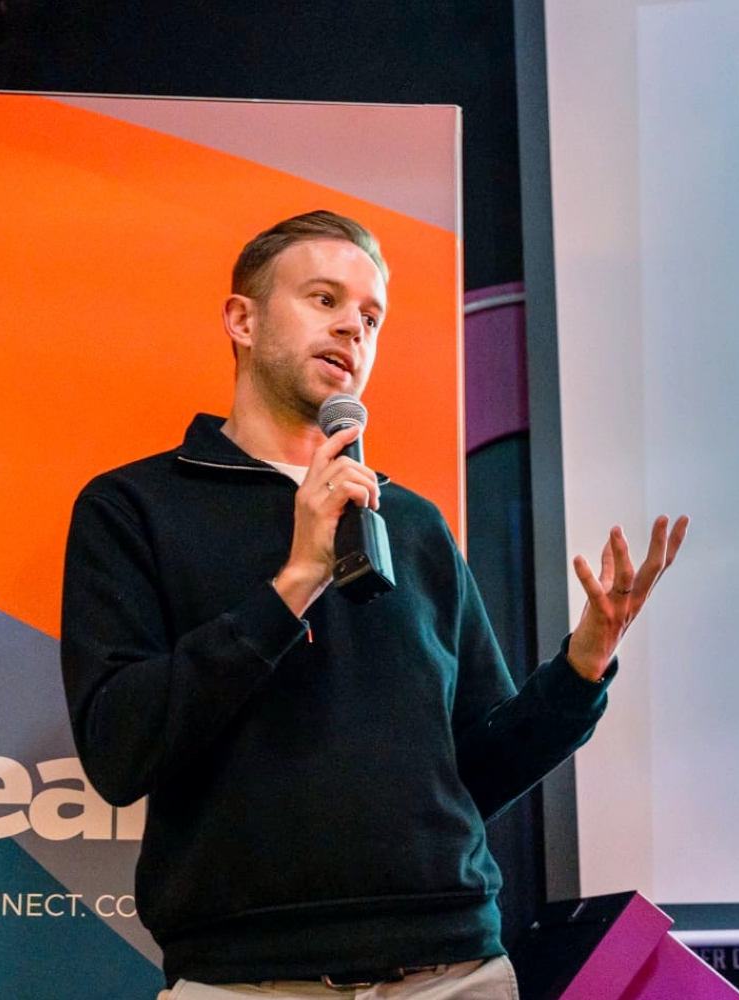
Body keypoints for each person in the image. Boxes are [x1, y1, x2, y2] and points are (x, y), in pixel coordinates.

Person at [61, 210, 686, 997]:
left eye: (370, 316)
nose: (351, 327)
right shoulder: (134, 508)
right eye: (324, 299)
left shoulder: (413, 523)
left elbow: (475, 774)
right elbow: (119, 752)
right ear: (242, 320)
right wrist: (294, 583)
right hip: (247, 978)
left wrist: (583, 668)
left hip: (452, 970)